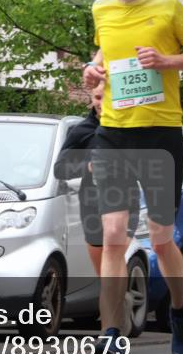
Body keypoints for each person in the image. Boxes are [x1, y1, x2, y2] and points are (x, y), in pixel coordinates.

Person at [82, 0, 183, 354]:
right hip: (114, 134)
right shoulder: (102, 9)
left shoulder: (172, 4)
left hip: (159, 136)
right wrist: (92, 69)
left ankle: (178, 307)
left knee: (159, 238)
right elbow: (106, 53)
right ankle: (111, 336)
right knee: (114, 236)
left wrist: (166, 61)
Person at [53, 83, 140, 336]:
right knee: (103, 267)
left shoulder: (130, 128)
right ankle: (118, 301)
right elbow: (61, 169)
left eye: (107, 97)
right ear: (91, 99)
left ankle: (110, 328)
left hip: (125, 199)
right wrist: (87, 166)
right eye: (98, 97)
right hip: (91, 202)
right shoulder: (82, 131)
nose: (102, 102)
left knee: (114, 253)